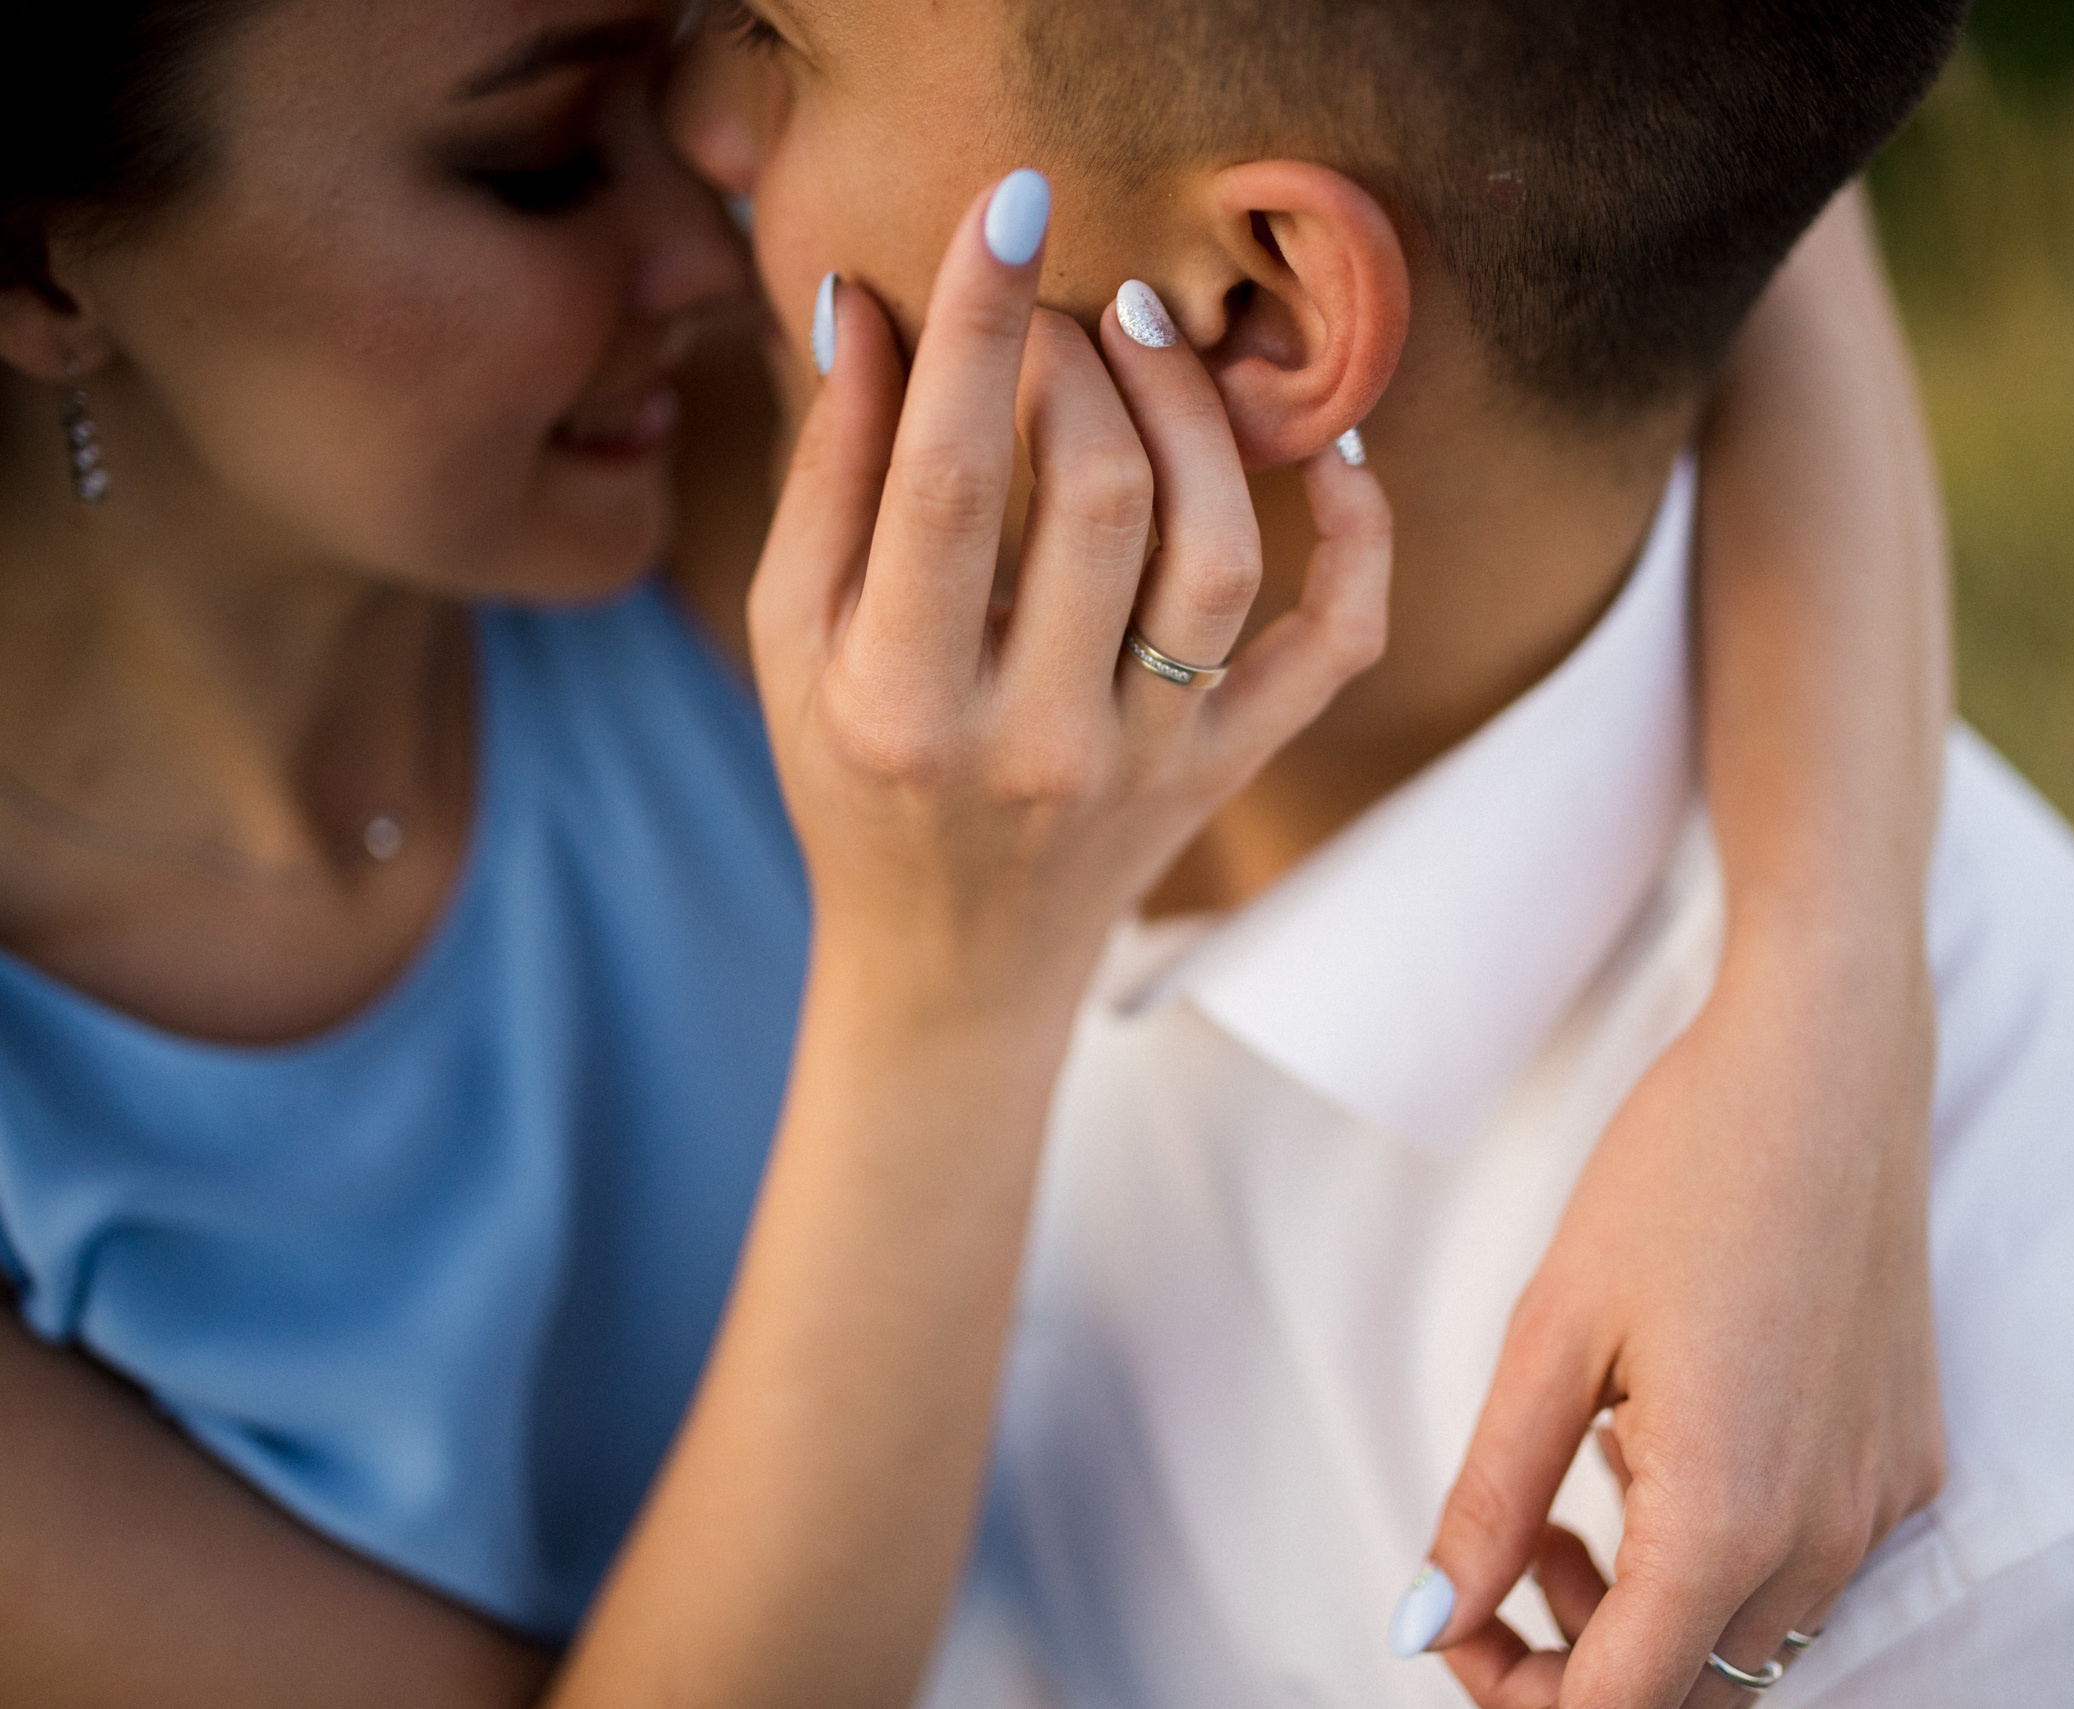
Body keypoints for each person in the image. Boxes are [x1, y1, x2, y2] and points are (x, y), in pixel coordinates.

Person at [1, 2, 1949, 1704]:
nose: (707, 208)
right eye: (532, 162)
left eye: (726, 24)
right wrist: (941, 994)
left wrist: (1821, 1017)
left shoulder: (743, 421)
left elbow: (1658, 142)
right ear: (42, 258)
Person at [676, 0, 2074, 1705]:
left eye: (775, 36)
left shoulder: (2014, 1577)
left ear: (1263, 308)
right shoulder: (668, 463)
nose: (693, 122)